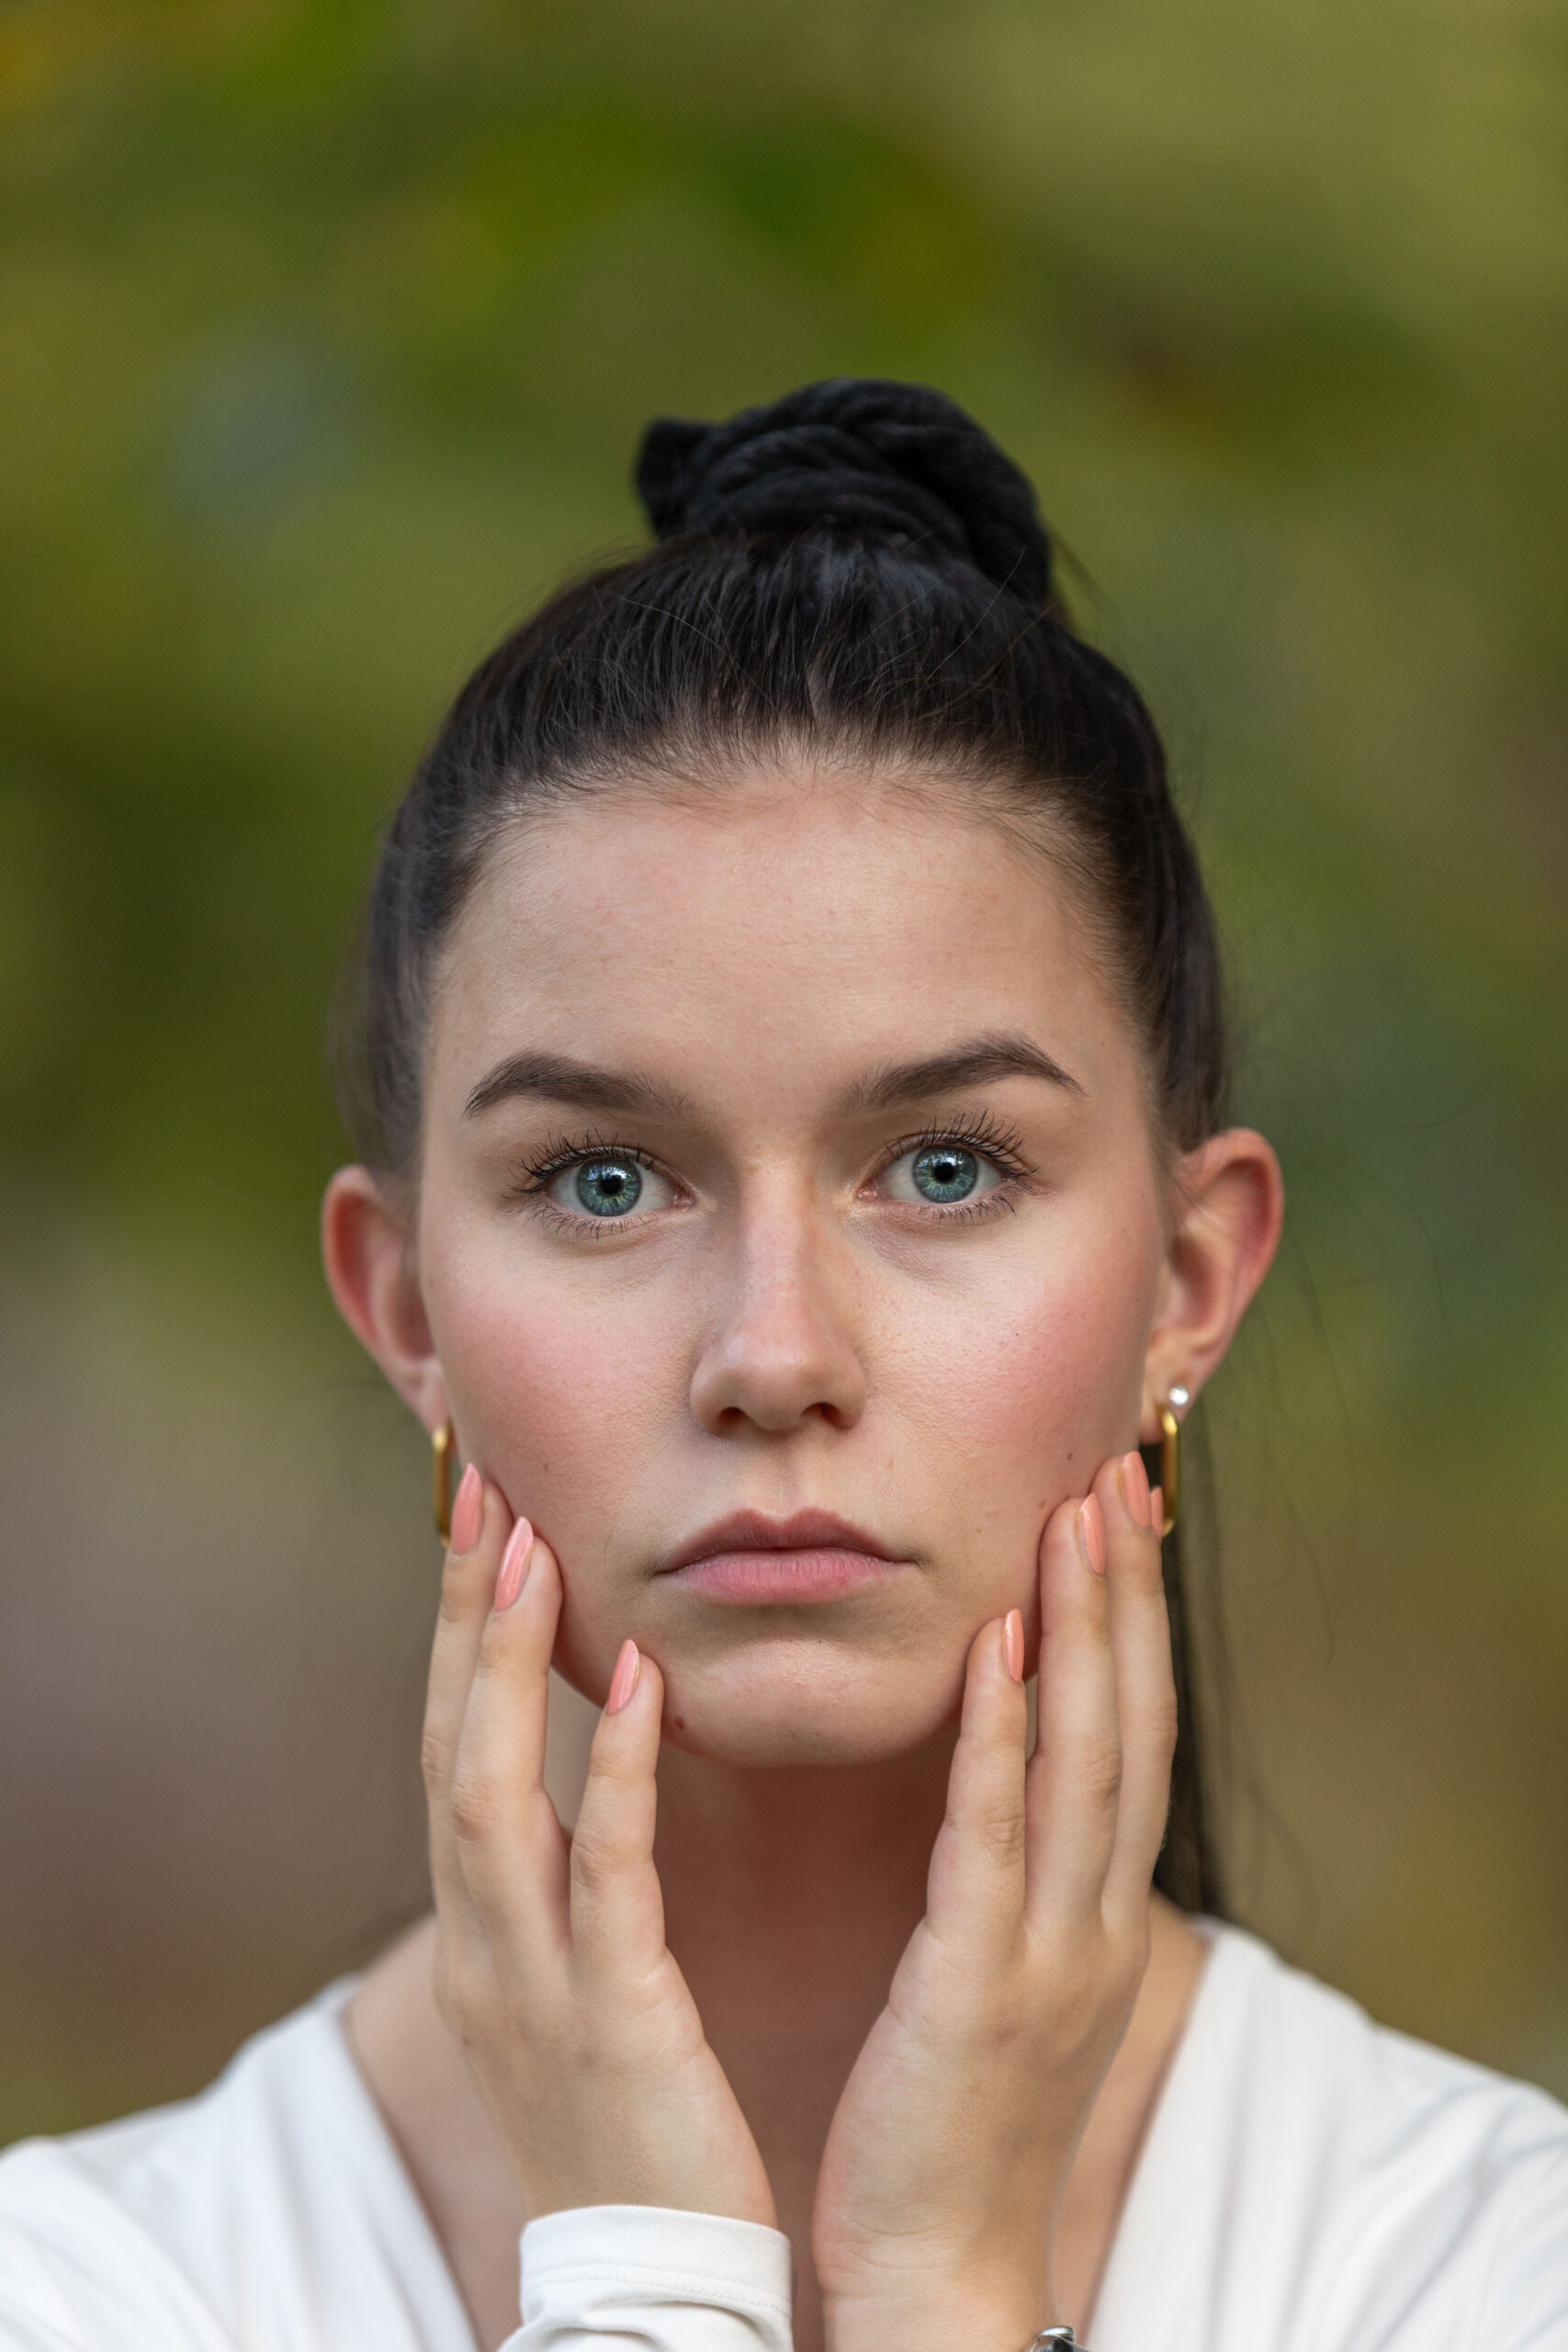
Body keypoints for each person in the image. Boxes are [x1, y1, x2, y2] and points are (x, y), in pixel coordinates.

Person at [1, 379, 1563, 2352]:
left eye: (939, 1167)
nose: (770, 1353)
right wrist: (645, 2282)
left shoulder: (1477, 2265)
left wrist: (948, 2295)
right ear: (403, 1308)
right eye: (600, 1179)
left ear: (1184, 1275)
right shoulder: (94, 2287)